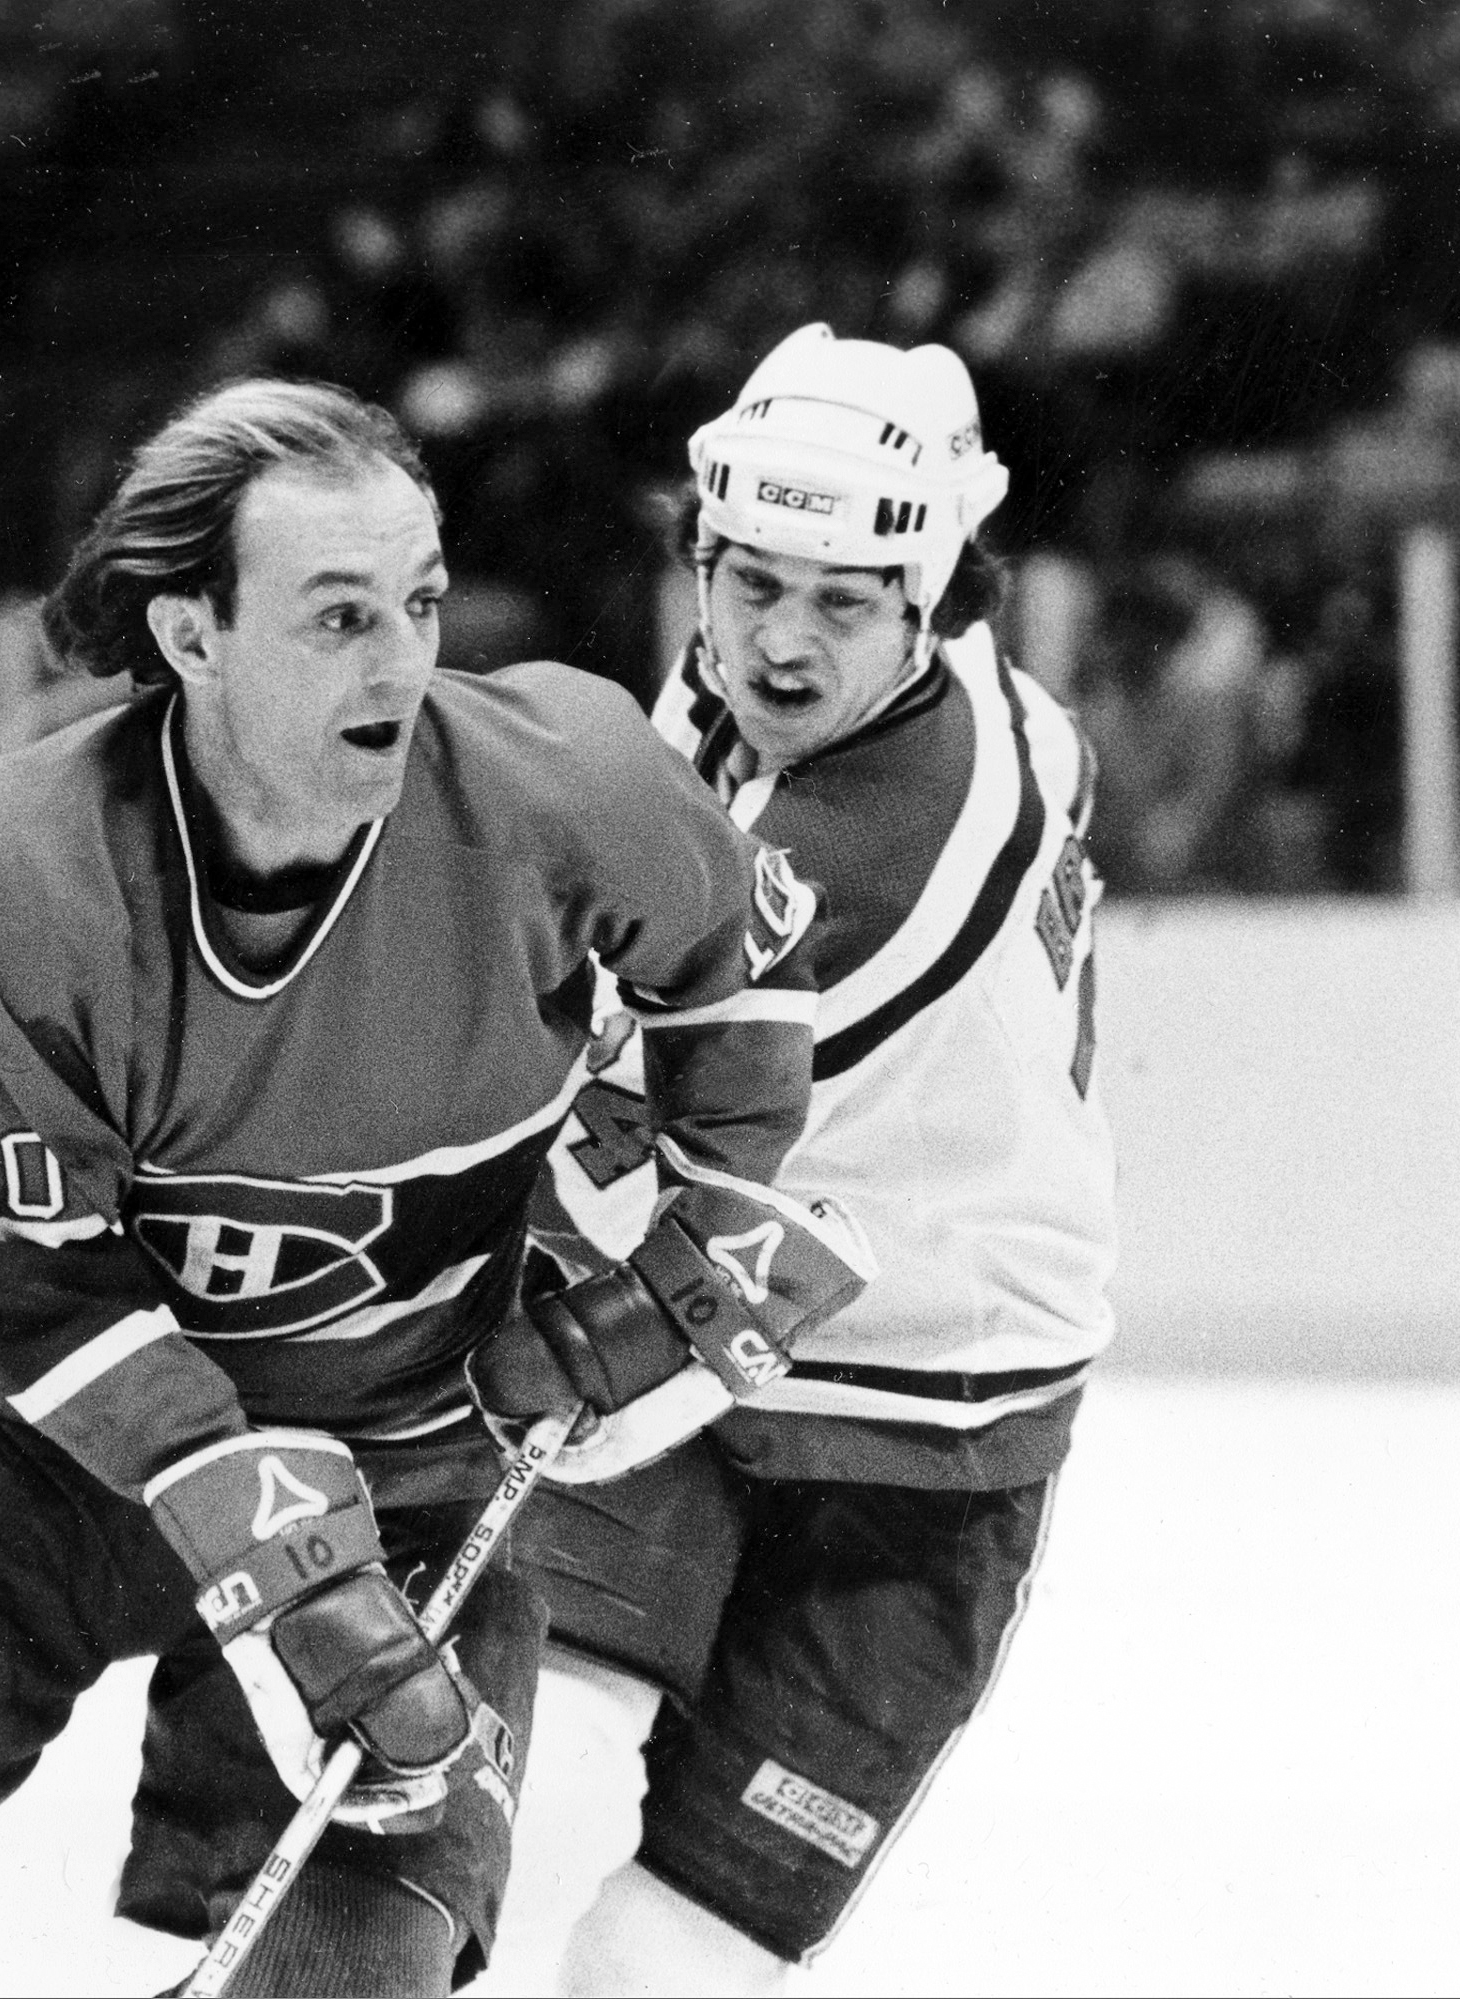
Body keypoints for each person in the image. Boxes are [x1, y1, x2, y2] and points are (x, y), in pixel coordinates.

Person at [0, 380, 870, 1998]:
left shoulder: (569, 779)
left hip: (411, 1443)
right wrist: (244, 1504)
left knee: (348, 1968)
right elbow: (22, 1280)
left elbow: (742, 961)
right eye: (337, 615)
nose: (400, 660)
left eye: (418, 600)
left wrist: (708, 1214)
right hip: (19, 1448)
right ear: (190, 631)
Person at [474, 324, 1117, 1994]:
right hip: (708, 1345)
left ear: (932, 594)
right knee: (504, 1791)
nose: (775, 639)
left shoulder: (885, 840)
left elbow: (603, 1109)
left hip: (921, 1430)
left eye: (839, 601)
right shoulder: (944, 688)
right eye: (750, 582)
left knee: (662, 1955)